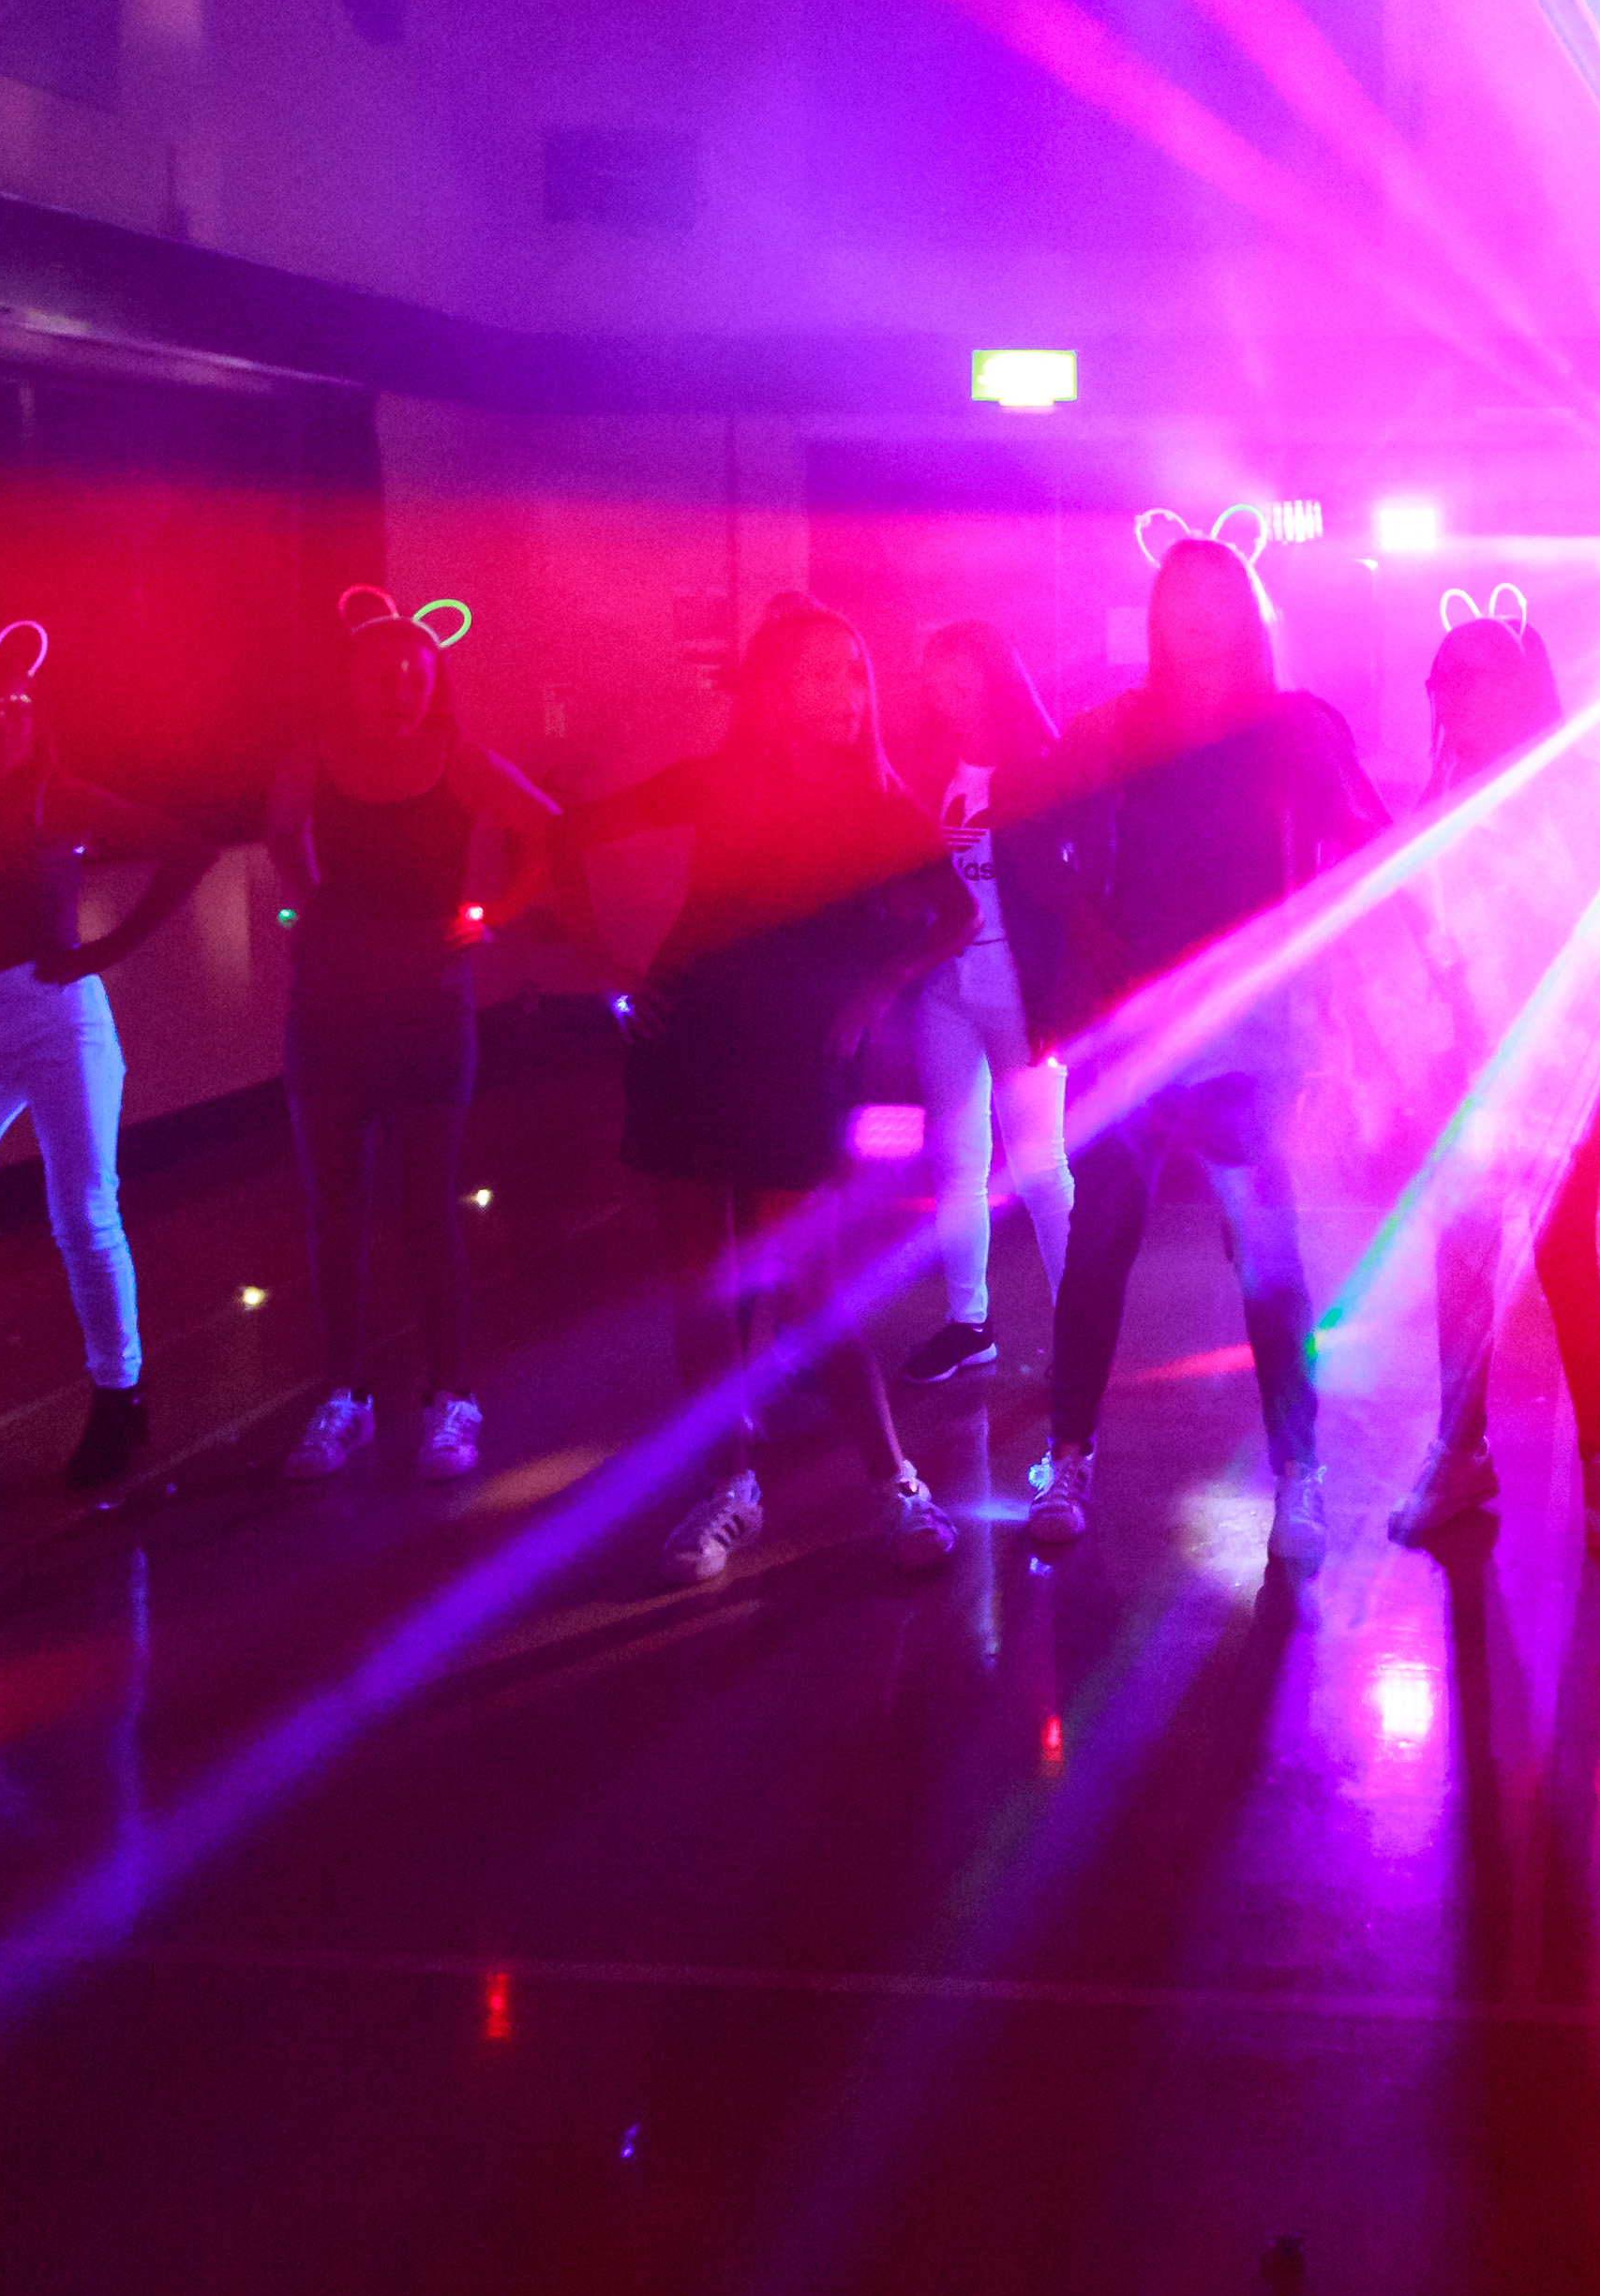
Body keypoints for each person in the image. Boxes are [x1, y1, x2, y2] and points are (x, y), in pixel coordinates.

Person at [576, 604, 974, 1583]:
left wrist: (873, 998)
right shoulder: (719, 781)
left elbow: (958, 916)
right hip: (691, 1043)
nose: (840, 695)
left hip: (795, 1058)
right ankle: (729, 1485)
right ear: (770, 689)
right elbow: (574, 833)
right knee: (703, 1290)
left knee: (809, 1283)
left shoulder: (880, 803)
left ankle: (897, 1483)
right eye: (814, 674)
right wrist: (612, 969)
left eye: (850, 673)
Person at [1016, 536, 1390, 1572]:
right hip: (1133, 1026)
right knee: (1100, 1241)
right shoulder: (1112, 731)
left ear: (1249, 610)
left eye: (1218, 593)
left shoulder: (1294, 729)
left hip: (1251, 1029)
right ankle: (1070, 1452)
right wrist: (1079, 953)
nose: (1197, 612)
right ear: (1155, 610)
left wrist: (1336, 979)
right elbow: (1034, 840)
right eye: (1179, 594)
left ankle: (1299, 1472)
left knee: (1268, 1256)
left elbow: (1369, 844)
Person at [0, 621, 215, 1499]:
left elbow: (189, 847)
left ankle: (118, 1396)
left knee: (84, 1213)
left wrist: (108, 950)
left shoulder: (60, 798)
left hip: (58, 1018)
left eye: (12, 710)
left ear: (32, 717)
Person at [269, 587, 558, 1483]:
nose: (396, 681)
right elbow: (280, 833)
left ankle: (451, 1397)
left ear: (435, 676)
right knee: (335, 1212)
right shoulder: (312, 756)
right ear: (349, 679)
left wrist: (494, 915)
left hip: (429, 1004)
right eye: (378, 668)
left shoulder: (458, 758)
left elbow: (543, 828)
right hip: (329, 1004)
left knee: (427, 1209)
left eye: (413, 668)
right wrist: (311, 904)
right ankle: (344, 1397)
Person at [1387, 601, 1600, 1560]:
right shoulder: (1439, 795)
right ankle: (1461, 1455)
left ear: (1520, 684)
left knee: (1566, 1261)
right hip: (1464, 1073)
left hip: (1559, 1067)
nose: (1456, 689)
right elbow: (1417, 915)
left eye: (1477, 670)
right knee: (1462, 1267)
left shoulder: (1571, 787)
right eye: (1446, 675)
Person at [895, 619, 1073, 1390]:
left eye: (962, 674)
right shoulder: (920, 763)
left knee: (1040, 1166)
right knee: (956, 1161)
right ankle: (969, 1325)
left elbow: (1072, 887)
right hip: (945, 984)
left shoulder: (1041, 760)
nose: (948, 691)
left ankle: (1079, 1323)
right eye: (937, 677)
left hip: (1018, 981)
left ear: (994, 676)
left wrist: (1062, 995)